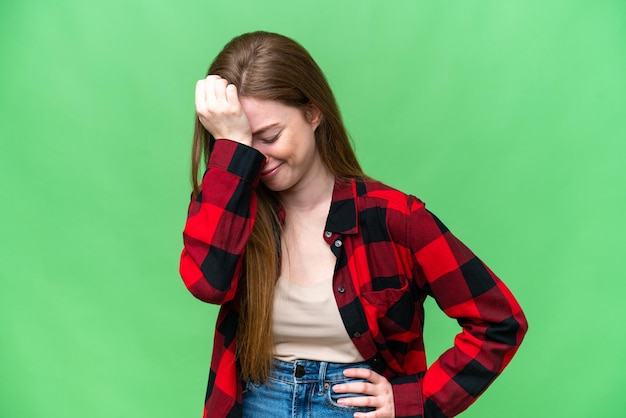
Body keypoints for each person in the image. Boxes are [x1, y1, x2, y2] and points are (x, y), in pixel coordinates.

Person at [179, 31, 527, 418]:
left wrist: (412, 400)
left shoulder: (394, 217)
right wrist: (232, 155)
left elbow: (499, 322)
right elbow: (207, 283)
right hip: (256, 402)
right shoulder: (229, 208)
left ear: (313, 113)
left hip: (354, 408)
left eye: (270, 136)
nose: (257, 159)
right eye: (244, 144)